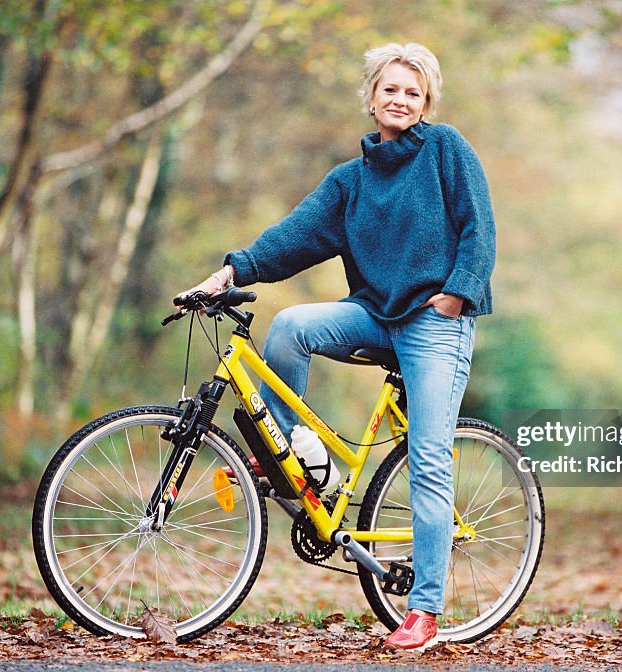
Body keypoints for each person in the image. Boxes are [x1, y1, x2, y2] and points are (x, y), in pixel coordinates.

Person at [178, 42, 495, 650]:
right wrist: (228, 273)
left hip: (435, 322)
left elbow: (480, 226)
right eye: (389, 89)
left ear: (426, 100)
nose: (399, 99)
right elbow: (292, 238)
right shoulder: (350, 182)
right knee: (292, 326)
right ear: (371, 97)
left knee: (428, 460)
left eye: (412, 91)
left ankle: (424, 610)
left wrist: (458, 293)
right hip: (374, 314)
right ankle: (297, 457)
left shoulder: (446, 149)